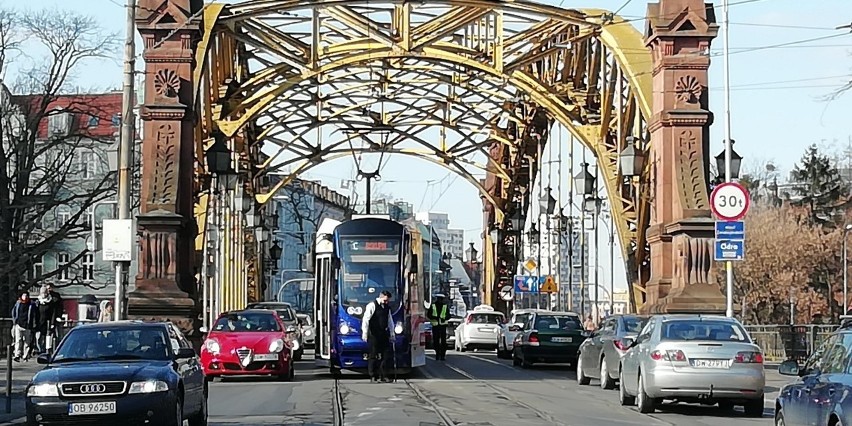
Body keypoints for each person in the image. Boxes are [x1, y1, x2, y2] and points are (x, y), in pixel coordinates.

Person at [361, 290, 396, 383]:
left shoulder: (387, 308)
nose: (387, 302)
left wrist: (392, 333)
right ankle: (373, 376)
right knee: (373, 355)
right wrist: (364, 333)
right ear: (381, 297)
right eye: (385, 300)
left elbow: (390, 321)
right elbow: (366, 319)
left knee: (386, 355)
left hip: (383, 334)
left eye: (388, 300)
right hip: (374, 334)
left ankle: (384, 375)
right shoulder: (372, 305)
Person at [11, 291, 39, 362]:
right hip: (18, 324)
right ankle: (17, 355)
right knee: (18, 340)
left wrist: (34, 324)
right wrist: (15, 321)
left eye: (26, 296)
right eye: (24, 295)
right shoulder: (18, 303)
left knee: (27, 342)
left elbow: (35, 315)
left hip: (28, 325)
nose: (25, 297)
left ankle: (25, 355)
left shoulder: (31, 304)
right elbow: (13, 312)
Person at [35, 284, 63, 355]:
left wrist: (53, 322)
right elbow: (35, 313)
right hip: (40, 322)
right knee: (39, 336)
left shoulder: (53, 299)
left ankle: (48, 349)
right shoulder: (38, 302)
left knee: (50, 335)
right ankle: (39, 348)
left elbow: (55, 311)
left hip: (49, 321)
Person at [428, 294, 450, 361]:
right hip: (436, 326)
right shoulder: (433, 306)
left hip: (442, 326)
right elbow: (429, 315)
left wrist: (444, 318)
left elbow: (449, 315)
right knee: (436, 342)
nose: (440, 300)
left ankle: (442, 355)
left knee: (442, 342)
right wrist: (435, 318)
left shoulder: (445, 306)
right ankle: (438, 354)